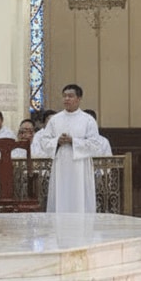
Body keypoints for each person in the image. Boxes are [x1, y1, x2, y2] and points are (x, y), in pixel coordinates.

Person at [33, 84, 104, 213]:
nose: (66, 99)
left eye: (70, 96)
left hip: (80, 166)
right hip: (61, 163)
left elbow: (95, 144)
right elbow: (44, 140)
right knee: (61, 194)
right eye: (64, 96)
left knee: (79, 196)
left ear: (79, 98)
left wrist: (73, 141)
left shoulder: (88, 120)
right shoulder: (55, 119)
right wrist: (57, 141)